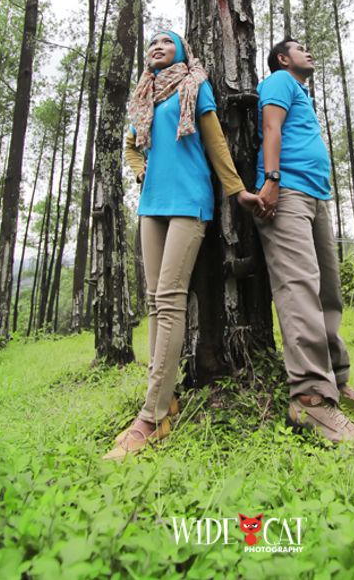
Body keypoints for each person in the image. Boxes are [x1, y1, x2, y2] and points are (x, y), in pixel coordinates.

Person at [103, 29, 264, 461]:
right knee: (155, 302)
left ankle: (152, 416)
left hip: (190, 201)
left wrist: (237, 190)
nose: (157, 46)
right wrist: (140, 173)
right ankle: (166, 397)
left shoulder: (195, 84)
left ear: (182, 51)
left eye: (166, 42)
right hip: (152, 203)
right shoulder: (146, 94)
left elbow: (215, 142)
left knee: (171, 300)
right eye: (152, 42)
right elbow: (132, 148)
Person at [254, 37, 354, 449]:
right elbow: (272, 126)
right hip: (285, 191)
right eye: (299, 48)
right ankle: (310, 398)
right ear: (281, 58)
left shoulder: (302, 93)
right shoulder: (278, 81)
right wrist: (271, 180)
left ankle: (337, 382)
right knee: (299, 289)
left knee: (328, 291)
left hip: (314, 196)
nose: (308, 52)